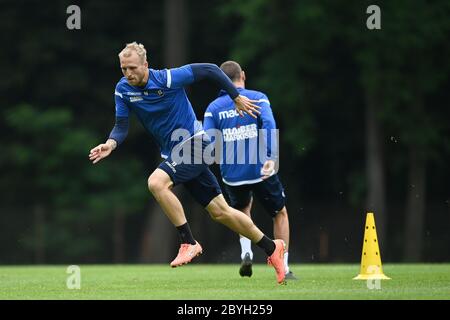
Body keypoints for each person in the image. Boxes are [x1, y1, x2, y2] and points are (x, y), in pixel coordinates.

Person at [88, 42, 287, 284]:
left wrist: (235, 97)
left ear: (146, 65)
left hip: (196, 143)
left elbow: (212, 70)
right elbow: (121, 126)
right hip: (175, 153)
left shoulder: (168, 79)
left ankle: (188, 242)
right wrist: (110, 144)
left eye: (132, 68)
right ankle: (271, 247)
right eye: (123, 69)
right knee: (221, 212)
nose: (128, 73)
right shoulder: (122, 90)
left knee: (156, 182)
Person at [203, 61, 297, 280]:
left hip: (231, 174)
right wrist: (271, 157)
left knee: (242, 211)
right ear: (242, 75)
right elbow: (269, 123)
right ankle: (283, 265)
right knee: (279, 213)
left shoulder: (213, 108)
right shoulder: (259, 97)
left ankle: (246, 251)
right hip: (260, 168)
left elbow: (208, 139)